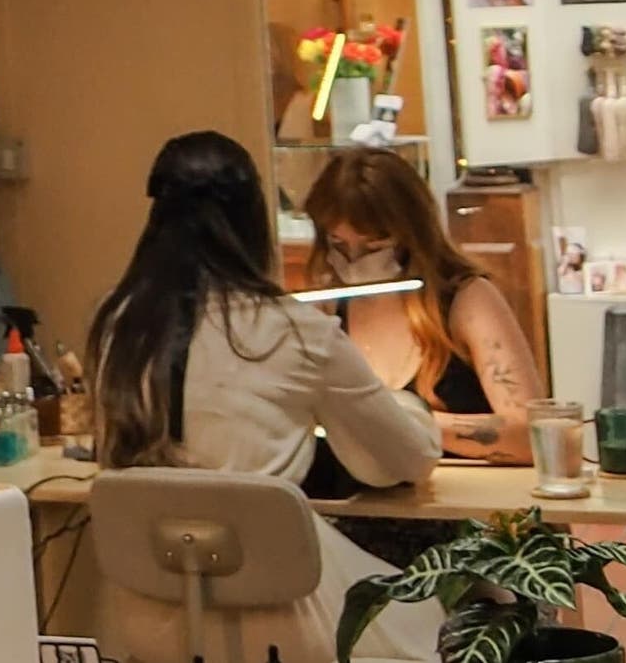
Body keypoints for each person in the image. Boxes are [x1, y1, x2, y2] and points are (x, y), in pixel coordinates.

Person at [89, 132, 443, 662]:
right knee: (438, 613)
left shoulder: (117, 325)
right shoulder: (297, 331)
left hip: (147, 618)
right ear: (254, 220)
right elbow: (401, 462)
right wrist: (411, 409)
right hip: (281, 615)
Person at [303, 145, 541, 464]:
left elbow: (531, 436)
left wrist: (401, 422)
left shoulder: (467, 299)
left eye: (374, 244)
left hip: (464, 491)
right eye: (338, 244)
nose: (354, 260)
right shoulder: (326, 307)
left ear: (410, 235)